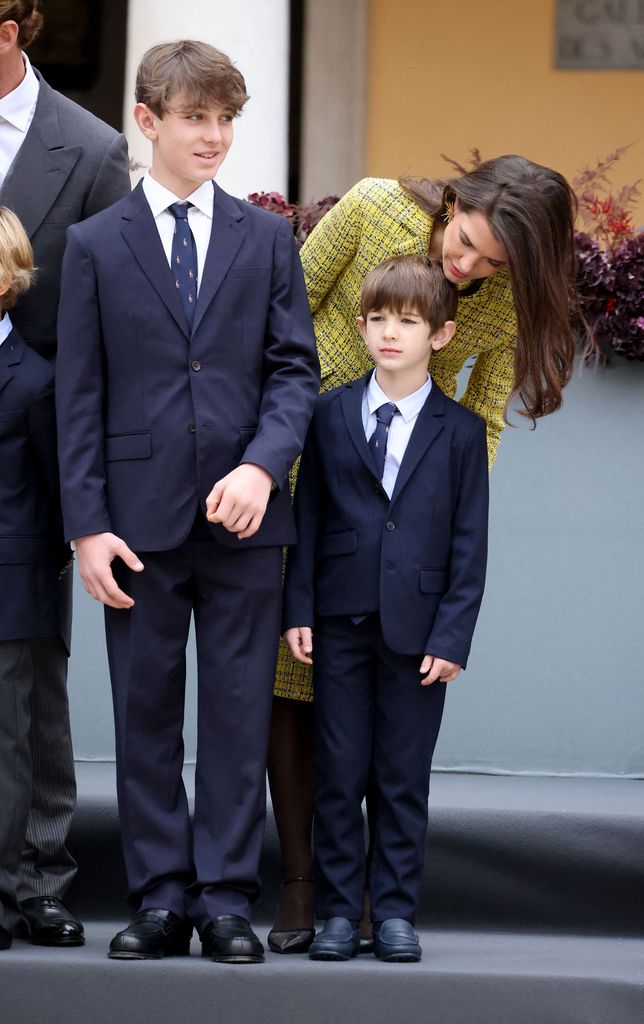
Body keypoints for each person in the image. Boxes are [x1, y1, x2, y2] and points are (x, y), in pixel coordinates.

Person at [268, 157, 581, 951]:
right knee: (293, 687)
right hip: (297, 463)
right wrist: (267, 445)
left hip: (407, 504)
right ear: (457, 200)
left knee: (395, 748)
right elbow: (283, 312)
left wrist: (437, 512)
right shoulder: (373, 208)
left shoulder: (500, 301)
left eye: (491, 262)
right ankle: (309, 886)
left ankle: (380, 901)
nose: (468, 265)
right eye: (468, 240)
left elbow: (484, 415)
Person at [55, 40, 319, 963]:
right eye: (196, 117)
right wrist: (86, 525)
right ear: (148, 121)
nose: (214, 135)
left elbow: (296, 372)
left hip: (247, 522)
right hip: (134, 524)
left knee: (240, 713)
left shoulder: (268, 238)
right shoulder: (95, 245)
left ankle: (224, 901)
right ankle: (161, 897)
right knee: (146, 714)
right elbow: (78, 393)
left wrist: (261, 468)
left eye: (225, 118)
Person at [283, 254, 488, 961]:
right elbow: (306, 518)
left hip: (420, 629)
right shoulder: (328, 413)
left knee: (402, 776)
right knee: (339, 773)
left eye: (407, 320)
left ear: (442, 333)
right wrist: (298, 609)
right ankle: (340, 913)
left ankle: (394, 912)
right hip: (340, 621)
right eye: (378, 319)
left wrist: (453, 635)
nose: (389, 333)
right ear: (362, 327)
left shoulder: (460, 432)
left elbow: (469, 540)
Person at [0, 0, 130, 947]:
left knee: (32, 676)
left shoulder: (87, 148)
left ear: (10, 29)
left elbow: (105, 315)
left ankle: (38, 875)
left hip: (32, 439)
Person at [0, 208, 70, 952]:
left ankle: (15, 892)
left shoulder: (37, 380)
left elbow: (56, 493)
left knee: (13, 745)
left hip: (13, 582)